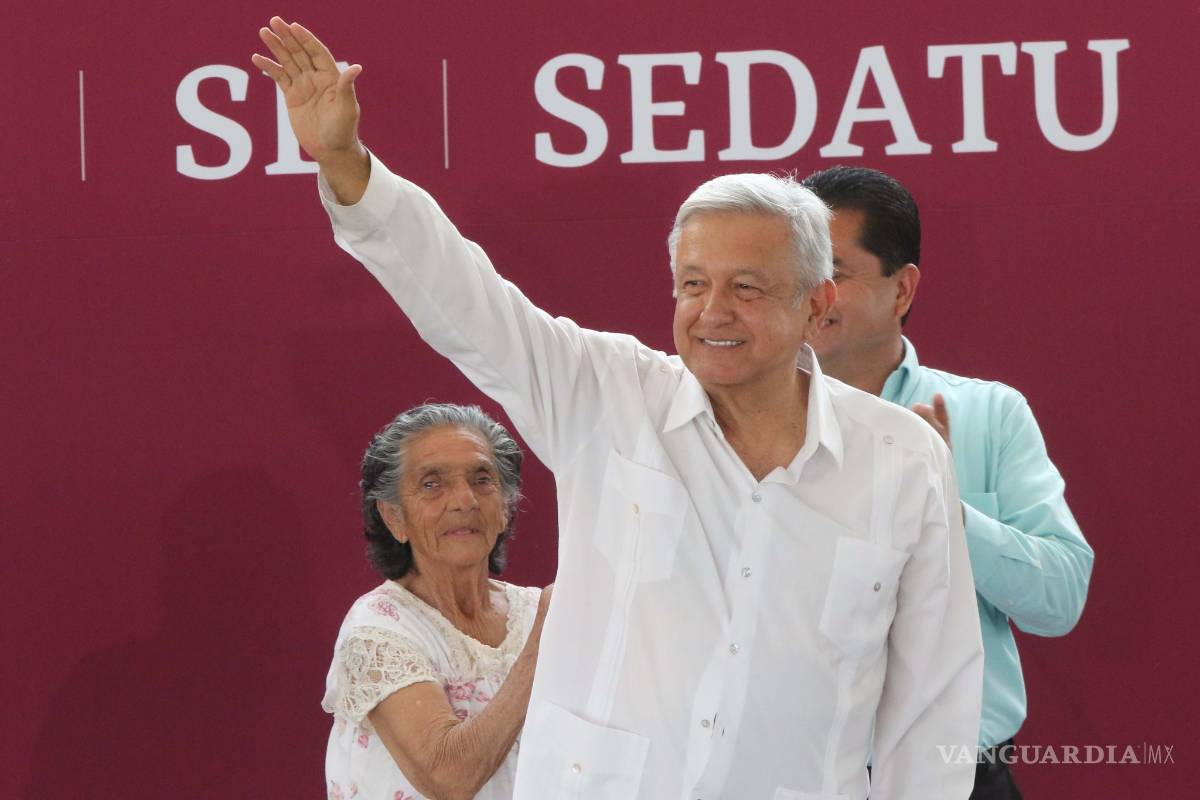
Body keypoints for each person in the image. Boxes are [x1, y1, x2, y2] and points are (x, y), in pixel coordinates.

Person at [254, 18, 983, 798]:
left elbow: (933, 703)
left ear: (817, 304)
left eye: (747, 287)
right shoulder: (605, 394)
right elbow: (464, 300)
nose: (713, 313)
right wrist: (347, 164)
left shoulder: (902, 457)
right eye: (694, 284)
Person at [802, 165, 1094, 800]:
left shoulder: (989, 415)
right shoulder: (740, 420)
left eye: (834, 275)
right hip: (789, 776)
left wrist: (945, 507)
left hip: (960, 780)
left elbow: (1060, 597)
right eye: (796, 276)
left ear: (902, 289)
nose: (810, 296)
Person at [322, 403, 551, 800]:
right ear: (394, 517)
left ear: (505, 509)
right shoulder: (378, 626)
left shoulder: (535, 612)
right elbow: (448, 777)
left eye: (482, 479)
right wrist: (544, 644)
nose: (464, 500)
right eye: (432, 484)